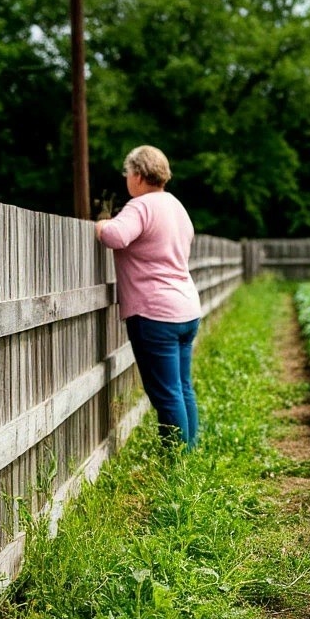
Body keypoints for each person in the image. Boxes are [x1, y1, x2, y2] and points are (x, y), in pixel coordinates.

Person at [95, 145, 202, 448]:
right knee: (182, 387)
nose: (127, 180)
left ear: (139, 176)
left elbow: (116, 236)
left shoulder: (141, 206)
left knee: (166, 394)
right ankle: (190, 452)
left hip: (155, 314)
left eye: (127, 173)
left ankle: (176, 463)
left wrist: (102, 225)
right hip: (186, 309)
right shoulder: (176, 206)